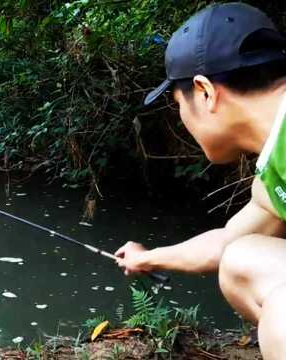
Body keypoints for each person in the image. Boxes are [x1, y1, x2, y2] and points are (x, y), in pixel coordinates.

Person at [114, 3, 286, 359]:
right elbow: (228, 241)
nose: (180, 120)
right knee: (242, 260)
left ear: (205, 91)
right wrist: (148, 259)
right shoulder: (276, 155)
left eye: (177, 103)